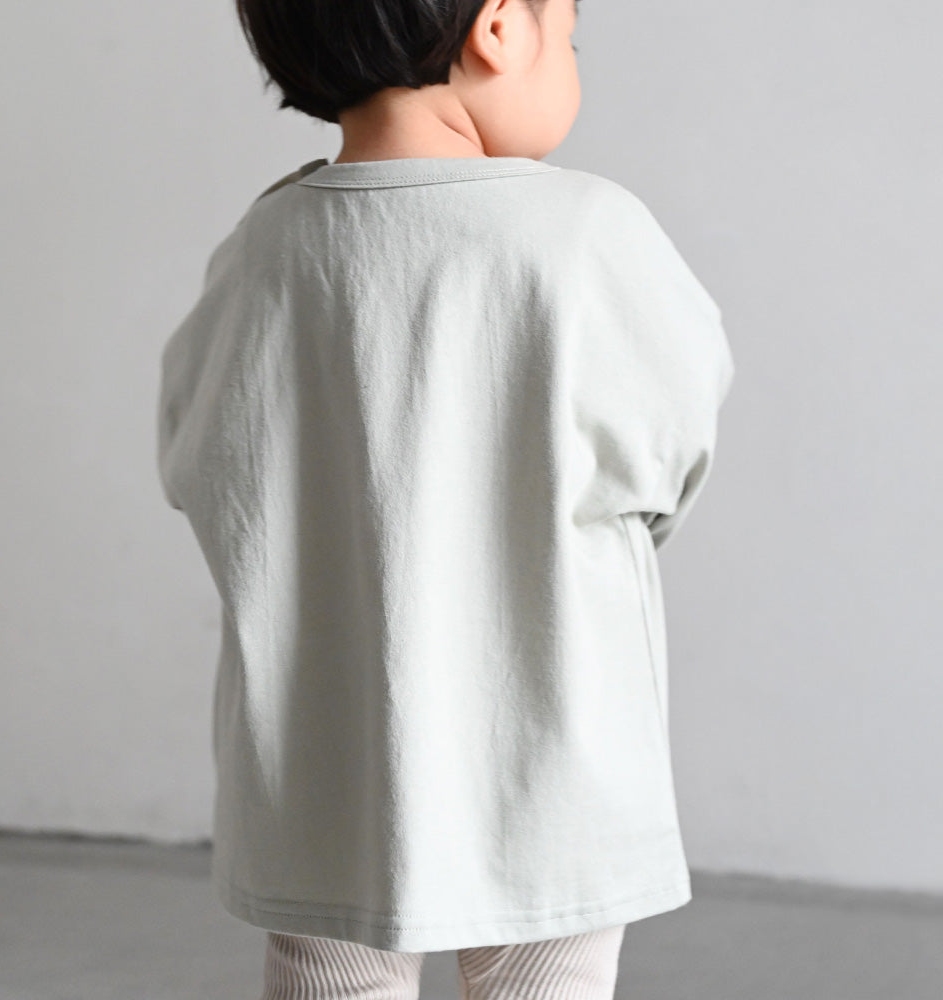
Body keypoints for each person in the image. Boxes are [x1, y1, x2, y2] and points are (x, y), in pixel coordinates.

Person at [155, 0, 736, 996]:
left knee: (330, 966)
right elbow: (670, 442)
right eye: (568, 35)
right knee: (545, 968)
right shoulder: (586, 232)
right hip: (551, 729)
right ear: (500, 29)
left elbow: (200, 458)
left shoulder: (265, 247)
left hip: (318, 737)